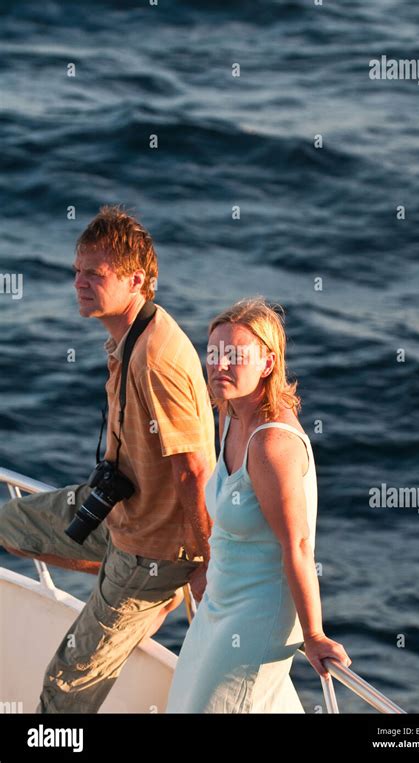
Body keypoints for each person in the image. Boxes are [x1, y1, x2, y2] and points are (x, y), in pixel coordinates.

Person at [0, 206, 216, 713]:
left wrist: (208, 561)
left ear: (136, 280)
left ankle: (145, 593)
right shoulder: (129, 335)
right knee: (8, 525)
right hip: (121, 513)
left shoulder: (157, 357)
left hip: (153, 548)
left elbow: (194, 470)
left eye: (93, 275)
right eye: (76, 271)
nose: (78, 283)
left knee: (64, 689)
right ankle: (133, 591)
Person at [165, 297, 351, 713]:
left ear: (267, 363)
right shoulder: (230, 414)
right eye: (214, 353)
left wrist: (315, 634)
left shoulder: (271, 444)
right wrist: (206, 567)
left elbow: (298, 546)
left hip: (255, 618)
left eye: (235, 355)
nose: (220, 365)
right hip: (217, 603)